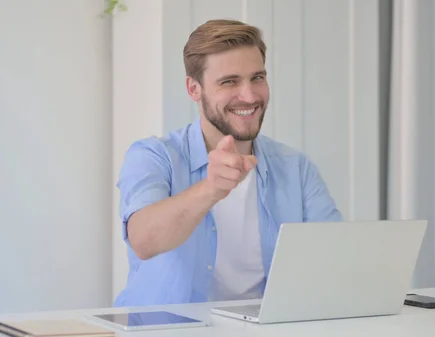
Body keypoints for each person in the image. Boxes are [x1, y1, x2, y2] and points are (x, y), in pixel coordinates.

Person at [114, 19, 342, 307]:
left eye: (257, 78)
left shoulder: (295, 167)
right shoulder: (152, 156)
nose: (249, 96)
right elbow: (144, 241)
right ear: (194, 89)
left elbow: (335, 258)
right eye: (229, 81)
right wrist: (211, 189)